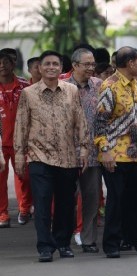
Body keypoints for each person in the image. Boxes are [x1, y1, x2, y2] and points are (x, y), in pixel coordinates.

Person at [13, 50, 89, 262]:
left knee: (66, 205)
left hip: (67, 157)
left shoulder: (72, 91)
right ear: (39, 67)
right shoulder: (29, 93)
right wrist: (19, 155)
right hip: (39, 157)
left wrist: (84, 148)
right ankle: (45, 246)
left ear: (61, 67)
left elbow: (80, 120)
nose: (51, 67)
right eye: (46, 64)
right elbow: (21, 125)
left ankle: (63, 243)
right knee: (43, 203)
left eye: (55, 64)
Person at [94, 46, 137, 258]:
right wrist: (104, 150)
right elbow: (99, 122)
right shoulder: (110, 86)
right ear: (130, 63)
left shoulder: (132, 84)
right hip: (114, 154)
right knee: (116, 200)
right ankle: (112, 244)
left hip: (135, 152)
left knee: (136, 199)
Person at [64, 48, 102, 253]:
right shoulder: (62, 86)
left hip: (94, 153)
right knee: (65, 197)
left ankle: (88, 240)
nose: (91, 68)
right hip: (66, 152)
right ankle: (63, 239)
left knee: (92, 198)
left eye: (93, 64)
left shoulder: (99, 86)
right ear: (75, 65)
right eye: (87, 64)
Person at [0, 52, 32, 228]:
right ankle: (3, 214)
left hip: (21, 141)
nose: (2, 66)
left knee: (24, 177)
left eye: (6, 62)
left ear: (13, 64)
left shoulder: (24, 86)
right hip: (0, 142)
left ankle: (24, 208)